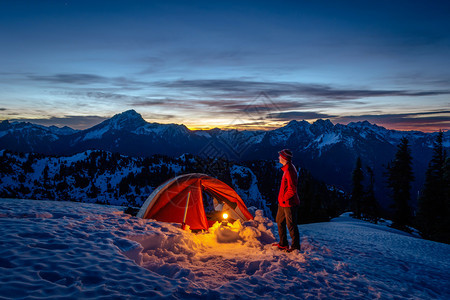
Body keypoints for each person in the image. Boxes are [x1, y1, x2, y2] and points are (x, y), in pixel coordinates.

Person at [275, 149, 300, 251]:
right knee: (279, 221)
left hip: (289, 203)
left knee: (291, 225)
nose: (278, 158)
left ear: (284, 158)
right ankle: (283, 243)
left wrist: (284, 199)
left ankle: (295, 247)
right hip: (283, 202)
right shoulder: (286, 169)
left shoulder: (289, 171)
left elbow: (292, 189)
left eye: (280, 156)